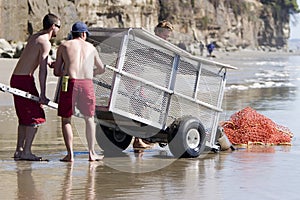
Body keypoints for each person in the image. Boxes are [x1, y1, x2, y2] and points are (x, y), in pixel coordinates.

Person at [10, 13, 61, 161]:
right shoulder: (45, 42)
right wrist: (43, 95)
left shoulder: (35, 37)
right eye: (58, 26)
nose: (59, 30)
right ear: (53, 26)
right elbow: (42, 71)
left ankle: (19, 150)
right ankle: (27, 152)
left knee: (23, 117)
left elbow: (36, 58)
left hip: (15, 77)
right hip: (25, 80)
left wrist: (49, 62)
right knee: (36, 116)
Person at [53, 21, 105, 162]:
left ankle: (70, 155)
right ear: (83, 34)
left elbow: (57, 72)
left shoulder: (64, 45)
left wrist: (61, 67)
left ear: (73, 34)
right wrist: (90, 72)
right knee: (89, 119)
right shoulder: (91, 48)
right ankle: (91, 153)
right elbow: (101, 69)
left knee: (66, 119)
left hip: (70, 82)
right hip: (86, 83)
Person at [132, 20, 174, 149]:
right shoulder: (152, 43)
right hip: (137, 78)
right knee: (141, 106)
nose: (166, 39)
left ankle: (141, 138)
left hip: (142, 79)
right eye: (165, 36)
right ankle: (138, 139)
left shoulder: (156, 44)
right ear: (158, 32)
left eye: (168, 37)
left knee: (143, 107)